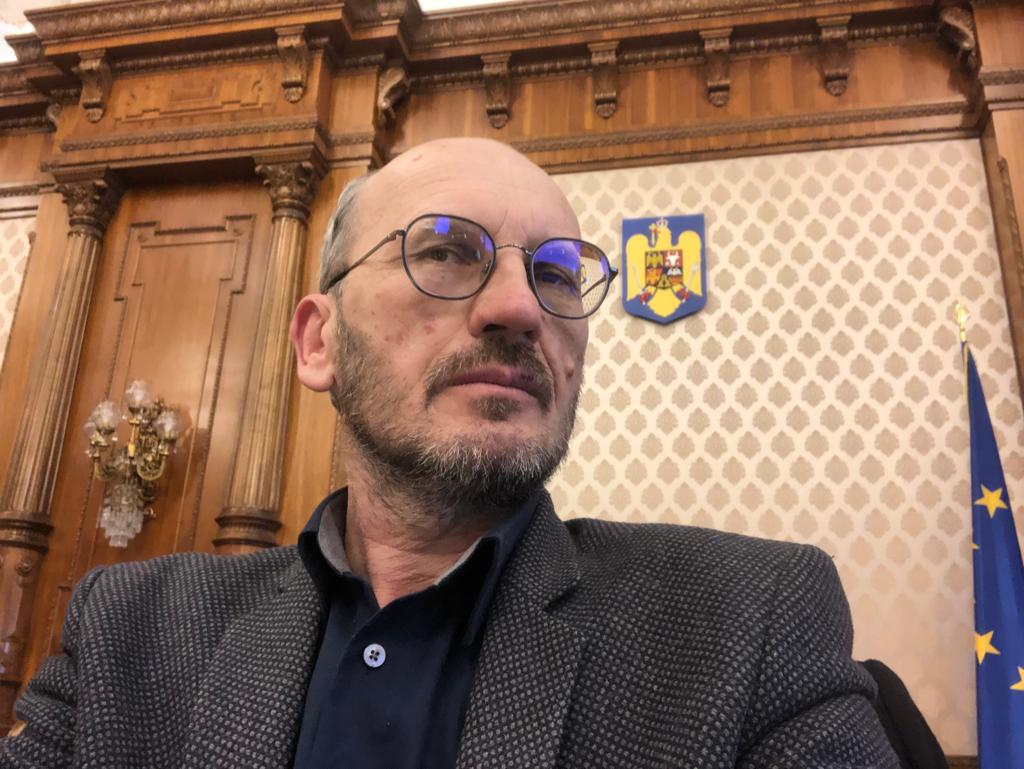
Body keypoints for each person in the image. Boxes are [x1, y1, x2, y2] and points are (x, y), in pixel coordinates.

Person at [0, 138, 899, 768]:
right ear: (318, 342)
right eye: (445, 251)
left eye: (556, 271)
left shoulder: (750, 623)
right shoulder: (127, 634)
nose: (521, 307)